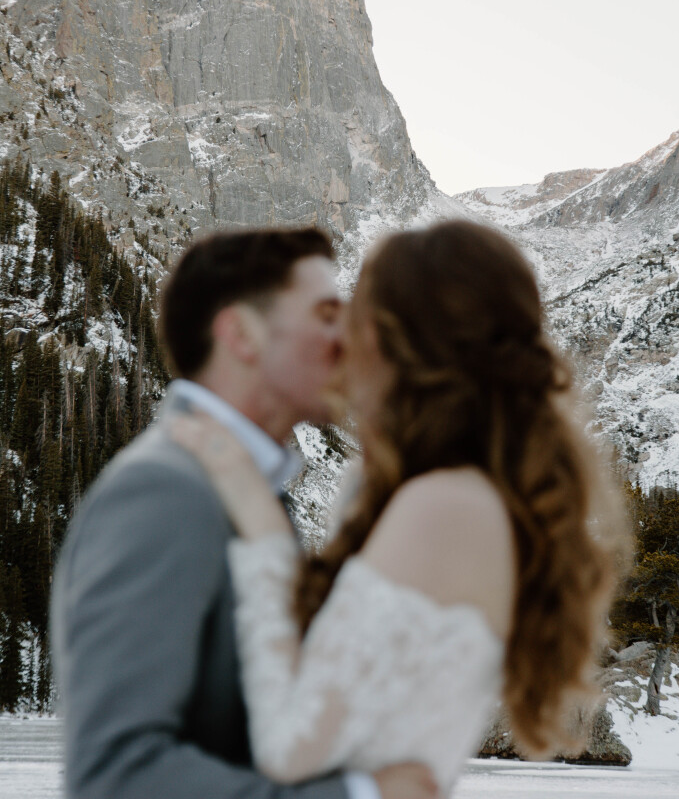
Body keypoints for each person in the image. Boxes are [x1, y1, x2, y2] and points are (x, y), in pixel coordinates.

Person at [172, 220, 626, 792]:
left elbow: (287, 748)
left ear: (392, 345)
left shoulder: (443, 505)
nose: (340, 347)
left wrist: (258, 522)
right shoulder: (448, 494)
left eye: (355, 320)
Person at [51, 228, 436, 799]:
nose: (348, 338)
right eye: (327, 314)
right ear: (240, 335)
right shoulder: (164, 493)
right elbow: (115, 775)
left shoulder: (248, 492)